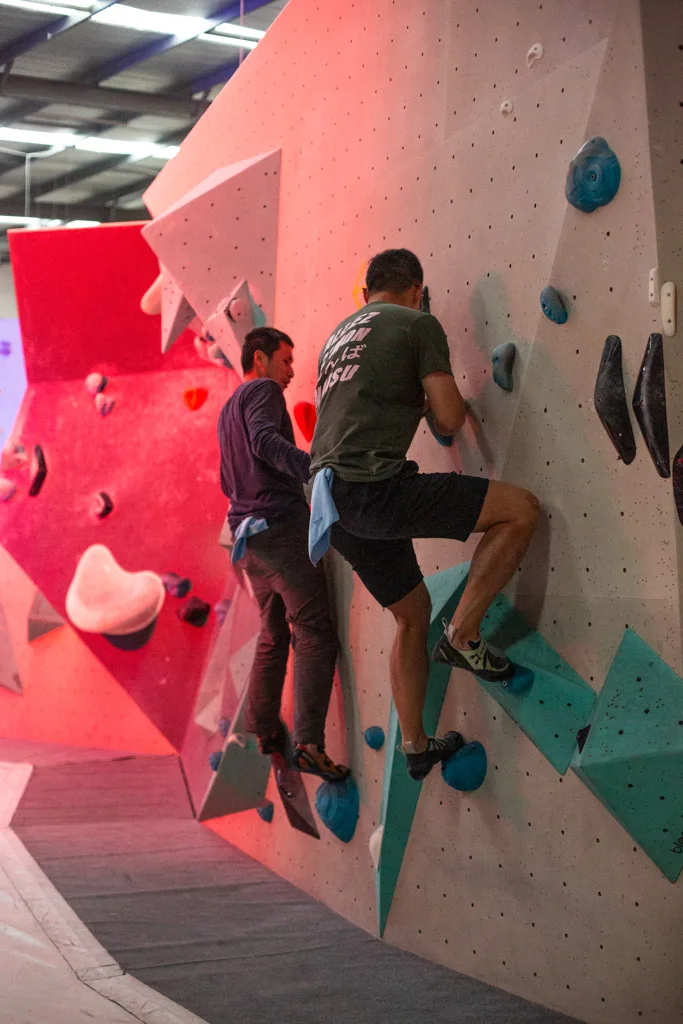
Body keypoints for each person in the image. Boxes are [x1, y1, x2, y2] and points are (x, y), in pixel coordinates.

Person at [309, 249, 540, 782]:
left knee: (412, 614)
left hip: (328, 504)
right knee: (520, 510)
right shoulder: (416, 323)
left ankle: (415, 745)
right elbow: (451, 417)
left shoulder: (335, 338)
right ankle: (463, 635)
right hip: (373, 489)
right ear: (416, 289)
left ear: (365, 293)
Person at [218, 326, 349, 782]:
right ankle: (309, 744)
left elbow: (227, 481)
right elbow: (264, 441)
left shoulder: (227, 409)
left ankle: (264, 728)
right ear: (260, 359)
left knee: (274, 632)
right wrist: (313, 468)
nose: (291, 372)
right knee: (314, 632)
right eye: (286, 360)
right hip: (279, 530)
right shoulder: (264, 391)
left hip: (248, 542)